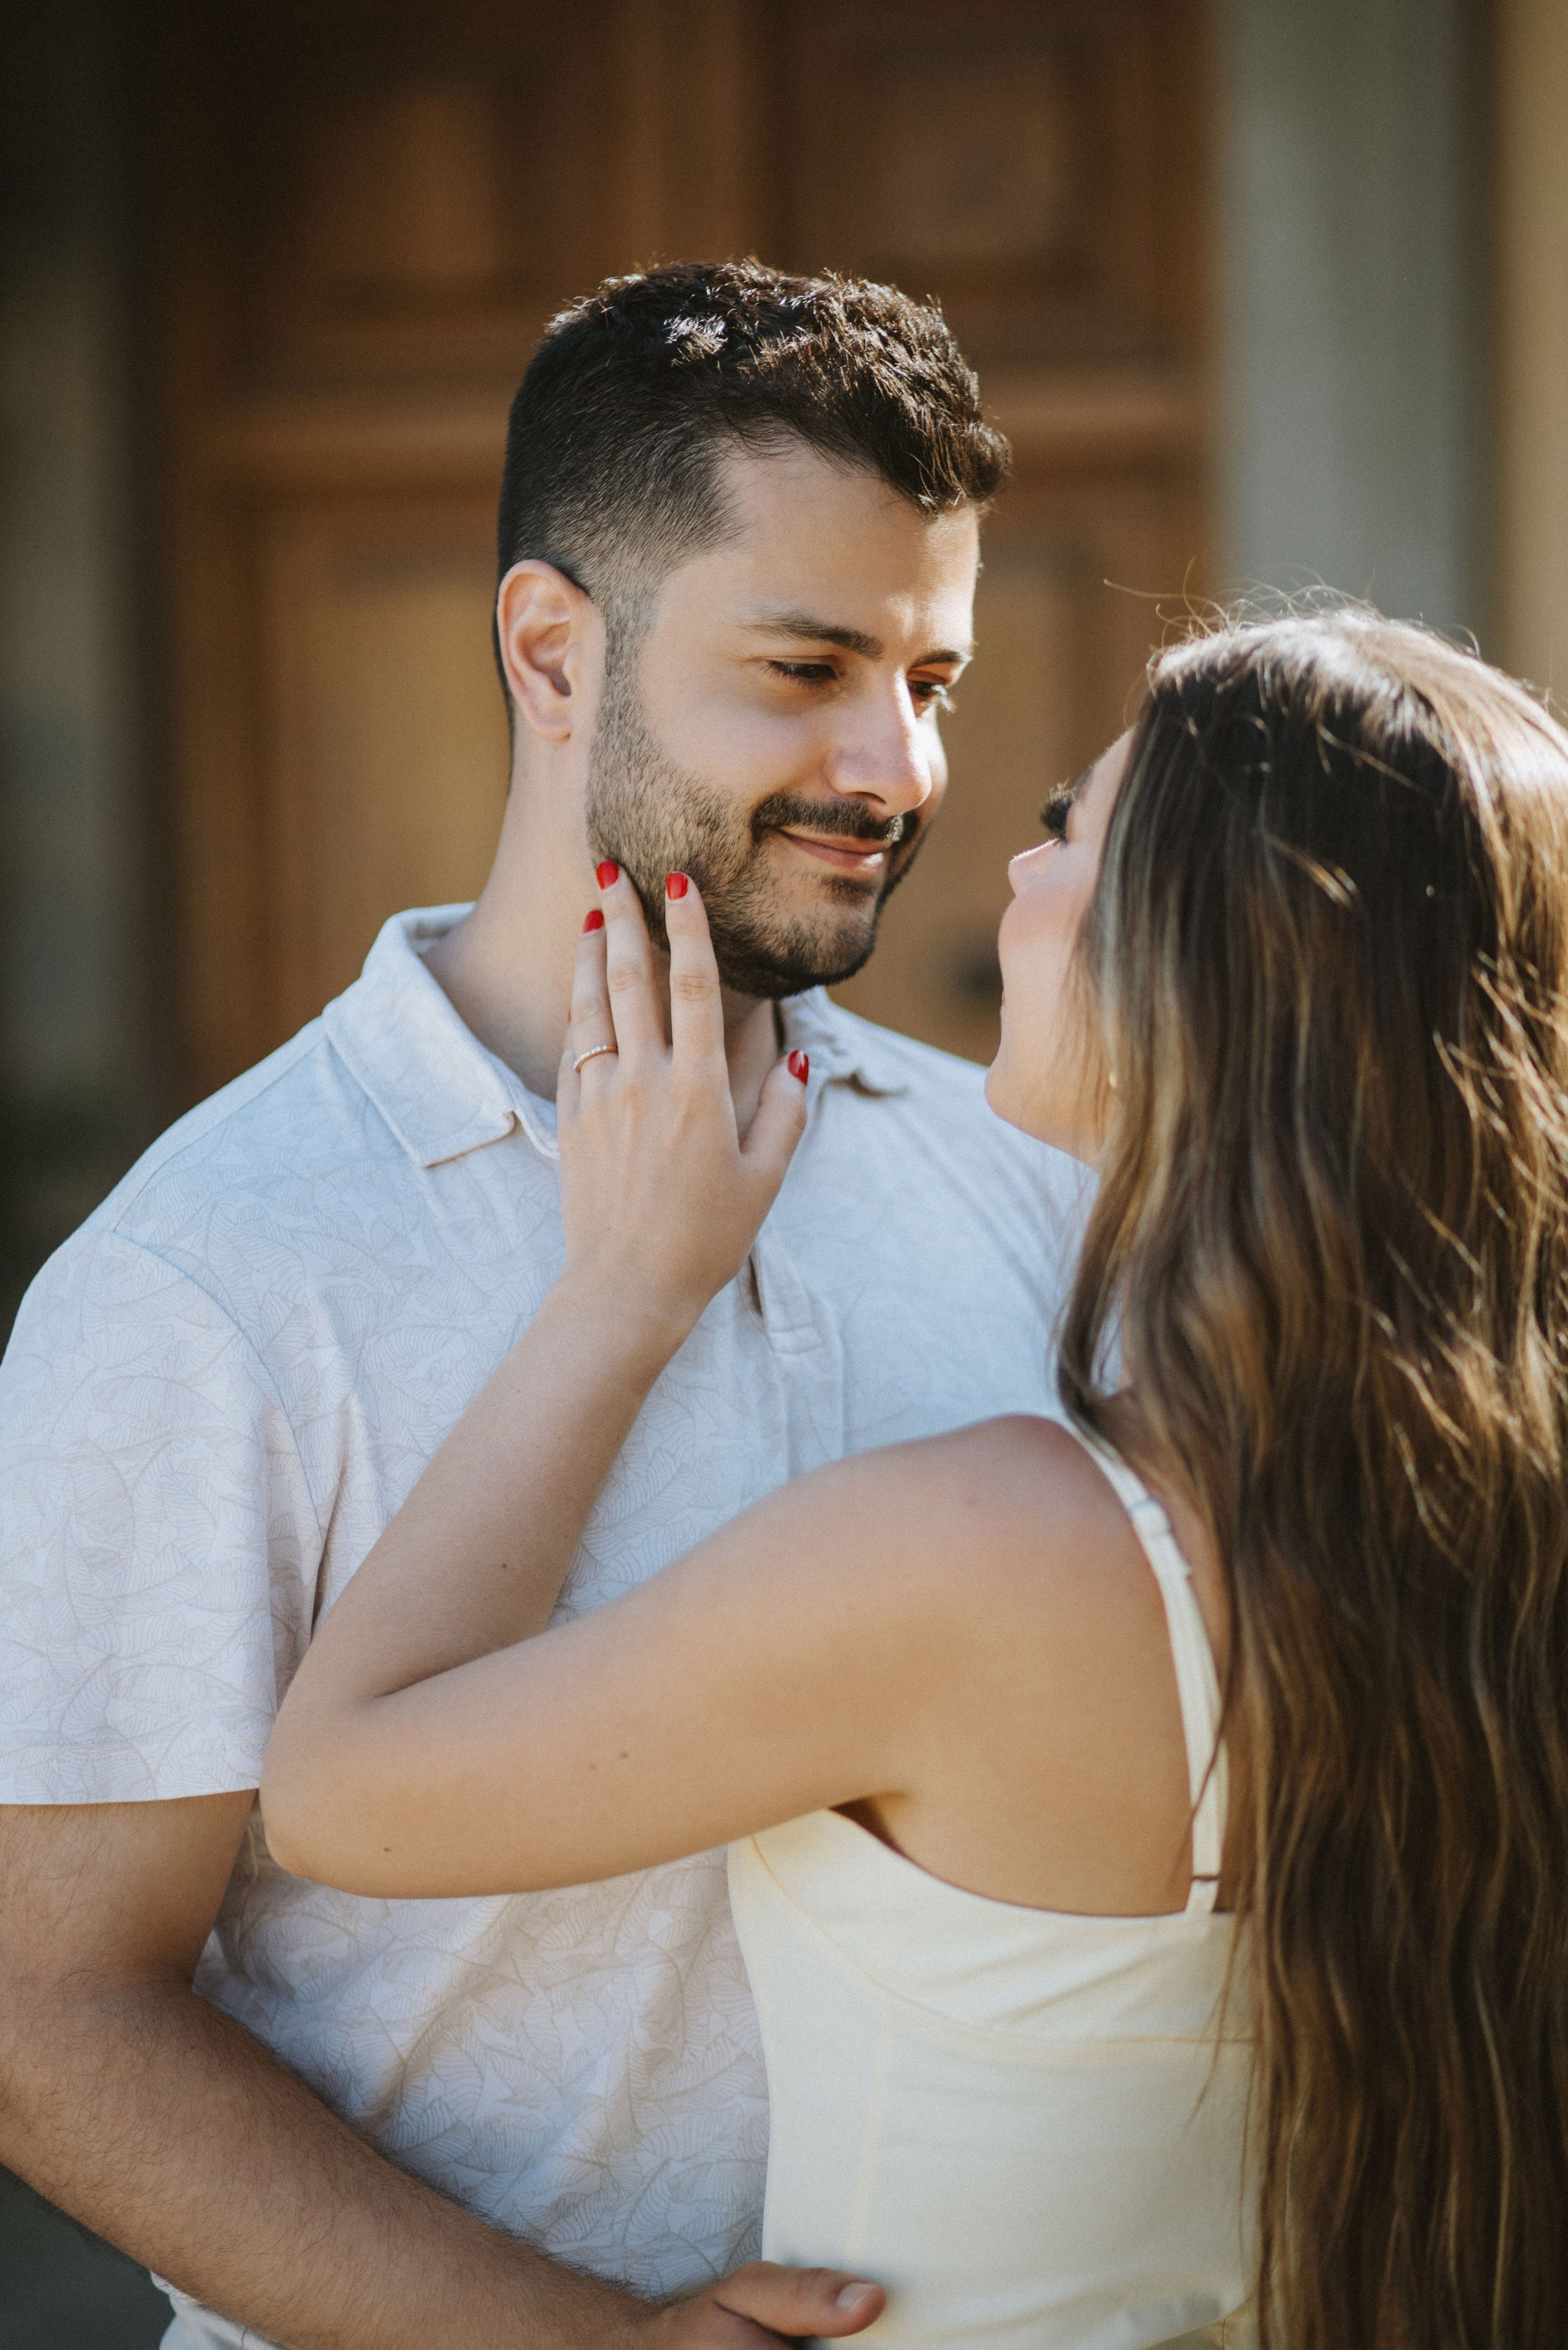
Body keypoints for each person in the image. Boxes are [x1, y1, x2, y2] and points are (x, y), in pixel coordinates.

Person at [0, 262, 1090, 2349]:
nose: (899, 763)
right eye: (807, 664)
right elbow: (52, 2019)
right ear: (550, 649)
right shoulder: (203, 1274)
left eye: (933, 679)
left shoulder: (1027, 1173)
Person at [265, 608, 1568, 2349]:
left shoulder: (992, 1555)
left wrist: (624, 1296)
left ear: (1198, 962)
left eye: (1065, 830)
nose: (1007, 872)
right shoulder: (1499, 1523)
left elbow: (343, 1795)